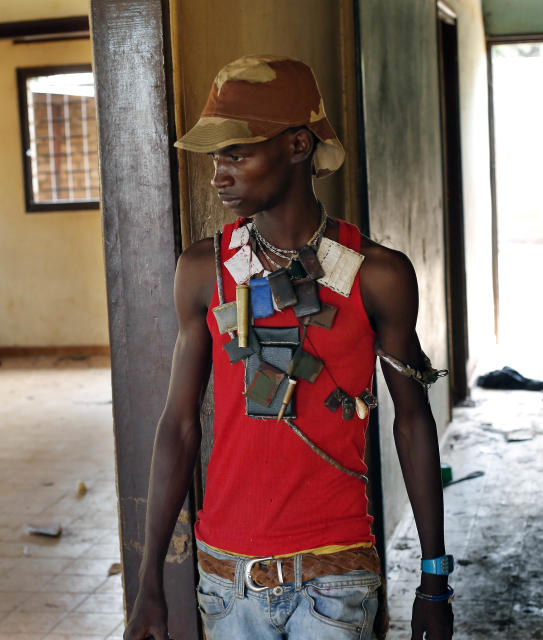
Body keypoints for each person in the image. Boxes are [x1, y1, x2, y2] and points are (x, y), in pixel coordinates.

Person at [124, 54, 454, 640]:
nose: (218, 174)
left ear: (298, 145)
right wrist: (150, 579)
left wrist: (433, 580)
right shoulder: (206, 270)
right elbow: (177, 426)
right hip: (227, 578)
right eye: (215, 157)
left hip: (338, 572)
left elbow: (412, 422)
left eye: (237, 152)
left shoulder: (376, 275)